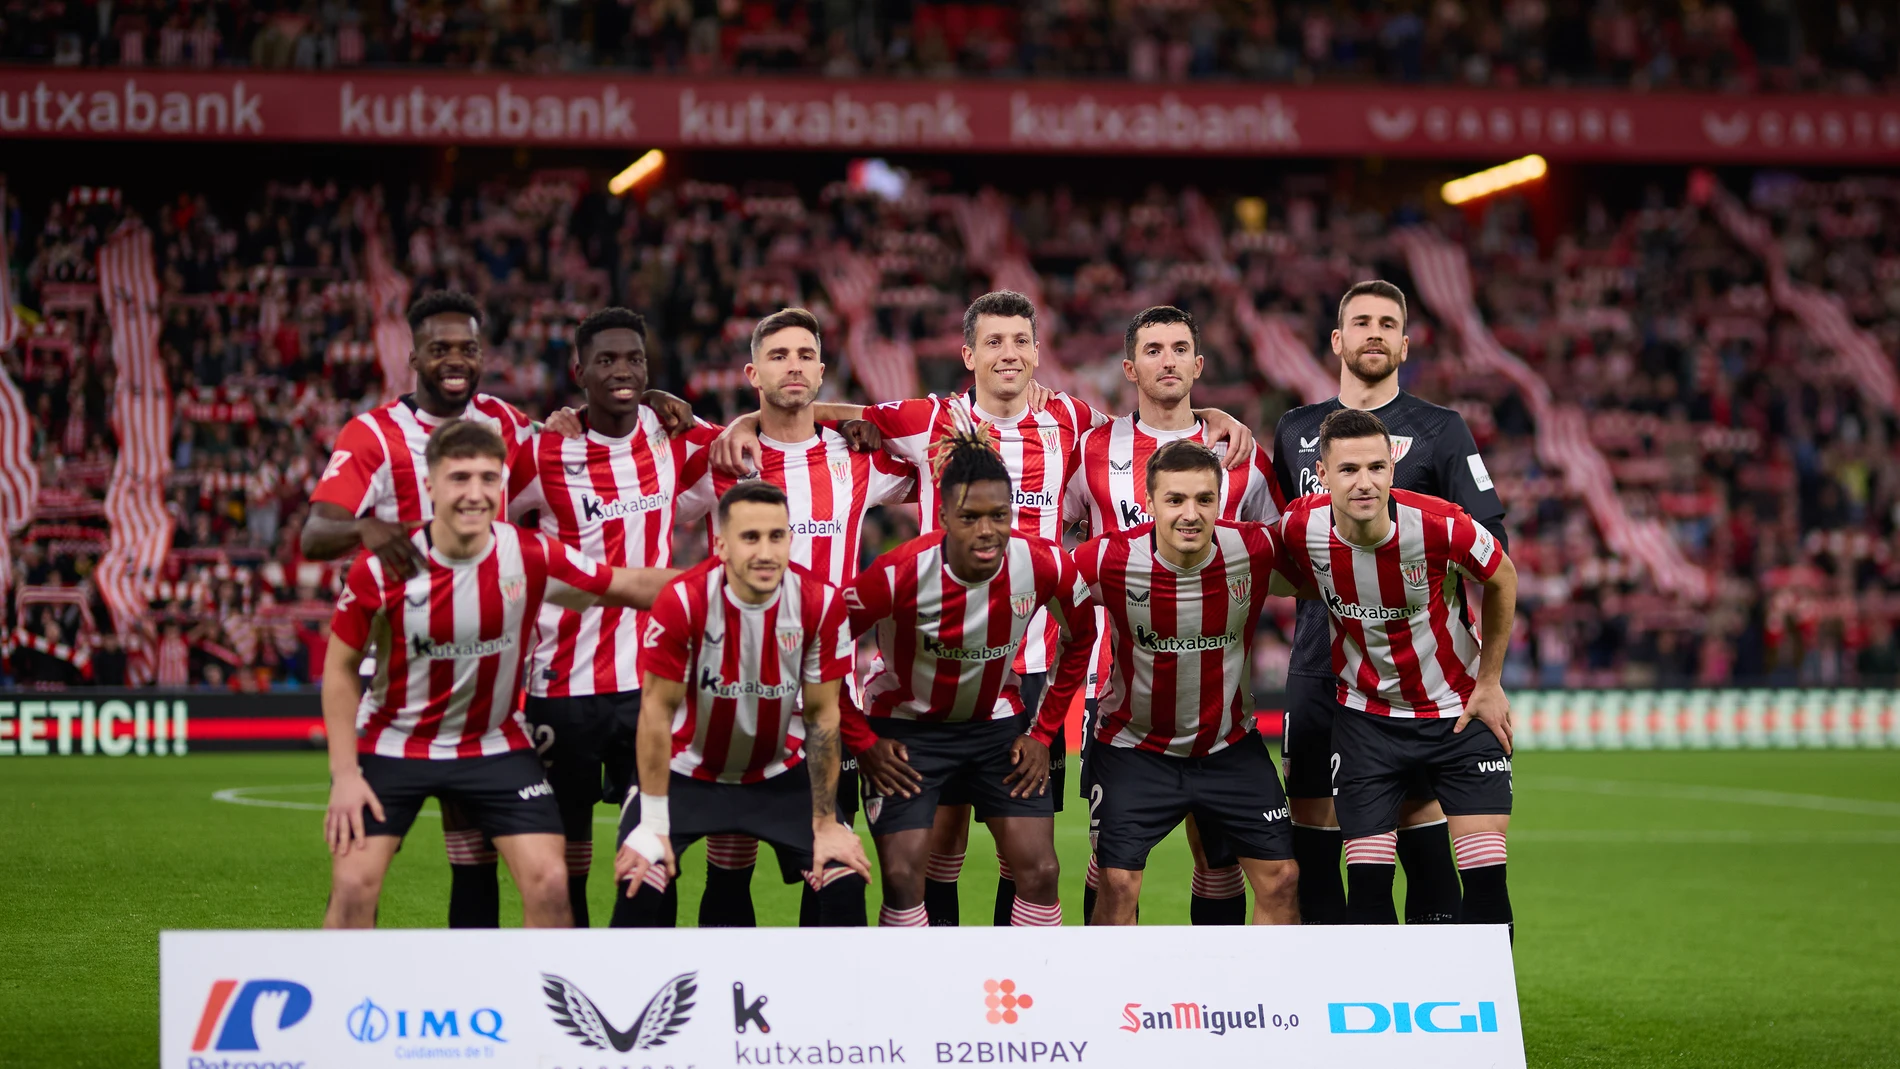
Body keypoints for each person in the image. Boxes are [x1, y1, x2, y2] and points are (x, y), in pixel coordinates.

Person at [712, 289, 1253, 925]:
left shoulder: (1073, 421)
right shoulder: (930, 420)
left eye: (1020, 341)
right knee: (939, 842)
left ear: (1037, 353)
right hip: (937, 663)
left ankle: (1019, 998)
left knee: (1023, 855)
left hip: (1027, 666)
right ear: (967, 354)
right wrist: (747, 420)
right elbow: (831, 411)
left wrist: (1213, 413)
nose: (1008, 353)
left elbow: (1156, 422)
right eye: (993, 342)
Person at [304, 289, 691, 929]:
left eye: (467, 348)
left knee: (508, 864)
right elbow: (317, 536)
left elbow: (591, 444)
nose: (454, 360)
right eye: (439, 349)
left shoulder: (510, 430)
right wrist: (370, 531)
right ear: (415, 357)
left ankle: (543, 1012)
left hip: (490, 698)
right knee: (427, 867)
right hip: (405, 678)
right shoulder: (373, 437)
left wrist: (642, 397)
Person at [1270, 280, 1508, 926]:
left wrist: (1487, 674)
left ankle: (1435, 999)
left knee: (1418, 827)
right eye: (1361, 321)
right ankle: (1335, 997)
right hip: (1319, 666)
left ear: (1405, 343)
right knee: (1314, 832)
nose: (1374, 332)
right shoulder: (1294, 430)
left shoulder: (1441, 430)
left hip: (1412, 676)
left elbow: (1493, 550)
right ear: (1337, 340)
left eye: (1387, 323)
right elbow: (1277, 548)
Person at [674, 307, 915, 927]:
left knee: (833, 873)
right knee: (731, 865)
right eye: (779, 356)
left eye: (806, 355)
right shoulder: (723, 456)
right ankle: (728, 1015)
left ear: (822, 370)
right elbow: (653, 493)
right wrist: (740, 423)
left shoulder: (859, 458)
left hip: (828, 695)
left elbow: (937, 462)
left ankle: (827, 1020)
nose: (795, 366)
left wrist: (855, 419)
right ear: (753, 372)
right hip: (738, 690)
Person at [1063, 305, 1282, 926]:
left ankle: (1219, 999)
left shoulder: (1238, 452)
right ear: (1130, 366)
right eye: (1153, 349)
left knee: (1218, 857)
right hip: (1119, 686)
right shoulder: (1096, 447)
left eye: (1180, 347)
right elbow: (1054, 538)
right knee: (1110, 862)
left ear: (1198, 364)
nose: (1168, 360)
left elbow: (1279, 553)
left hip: (1218, 691)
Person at [506, 307, 721, 927]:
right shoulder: (546, 450)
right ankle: (572, 976)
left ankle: (646, 972)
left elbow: (751, 439)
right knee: (566, 851)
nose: (622, 371)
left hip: (652, 681)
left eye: (634, 360)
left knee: (654, 840)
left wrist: (670, 399)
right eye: (606, 360)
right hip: (561, 682)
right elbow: (488, 526)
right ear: (579, 372)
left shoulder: (671, 432)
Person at [844, 426, 1095, 927]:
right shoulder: (897, 573)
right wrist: (863, 740)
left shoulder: (1042, 564)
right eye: (970, 517)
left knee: (1042, 871)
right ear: (941, 518)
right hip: (906, 729)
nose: (987, 530)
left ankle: (1031, 999)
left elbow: (1081, 639)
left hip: (994, 727)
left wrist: (1044, 734)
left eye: (999, 516)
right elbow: (821, 650)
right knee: (902, 873)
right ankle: (918, 1001)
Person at [611, 482, 874, 927]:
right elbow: (655, 714)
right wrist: (653, 822)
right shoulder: (683, 600)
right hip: (687, 772)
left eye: (777, 536)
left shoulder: (820, 602)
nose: (766, 552)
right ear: (721, 545)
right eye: (750, 538)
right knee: (642, 874)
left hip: (779, 773)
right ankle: (634, 994)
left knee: (844, 877)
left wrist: (827, 822)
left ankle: (831, 996)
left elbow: (823, 717)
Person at [1074, 440, 1299, 925]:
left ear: (1220, 501)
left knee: (1282, 879)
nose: (1190, 513)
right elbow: (1037, 591)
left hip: (1228, 745)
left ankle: (1256, 1000)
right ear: (1150, 503)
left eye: (1204, 499)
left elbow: (1328, 561)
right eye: (1175, 500)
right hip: (1135, 749)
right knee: (1116, 884)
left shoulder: (1254, 547)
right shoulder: (1107, 559)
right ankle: (1108, 999)